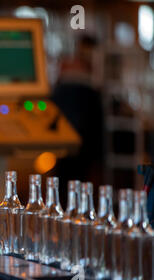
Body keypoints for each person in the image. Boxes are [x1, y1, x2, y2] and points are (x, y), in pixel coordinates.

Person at [51, 34, 104, 203]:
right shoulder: (91, 77)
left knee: (65, 181)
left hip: (68, 140)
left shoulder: (67, 72)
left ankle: (66, 212)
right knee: (78, 181)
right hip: (82, 140)